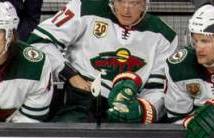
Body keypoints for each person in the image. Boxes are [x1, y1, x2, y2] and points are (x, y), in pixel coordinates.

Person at [29, 0, 178, 123]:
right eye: (120, 1)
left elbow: (159, 89)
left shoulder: (165, 36)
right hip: (80, 102)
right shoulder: (83, 8)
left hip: (126, 109)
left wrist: (141, 109)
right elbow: (39, 42)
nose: (126, 9)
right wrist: (70, 74)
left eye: (134, 2)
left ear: (145, 4)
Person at [165, 3, 214, 138]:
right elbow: (175, 120)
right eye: (195, 40)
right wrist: (191, 121)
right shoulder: (179, 66)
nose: (198, 47)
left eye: (205, 41)